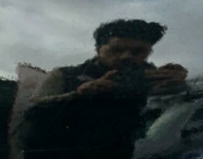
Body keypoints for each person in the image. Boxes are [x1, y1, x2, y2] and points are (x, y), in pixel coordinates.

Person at [19, 19, 187, 158]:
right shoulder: (65, 75)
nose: (127, 56)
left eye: (138, 51)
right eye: (117, 50)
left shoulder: (155, 78)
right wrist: (79, 95)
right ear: (98, 50)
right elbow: (32, 112)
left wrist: (178, 87)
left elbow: (173, 120)